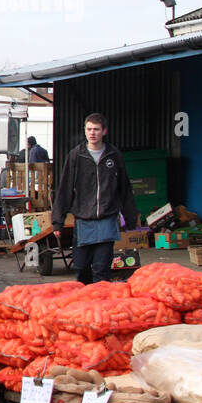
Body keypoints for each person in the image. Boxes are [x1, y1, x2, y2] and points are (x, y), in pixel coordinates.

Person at [52, 113, 140, 285]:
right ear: (85, 131)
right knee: (81, 268)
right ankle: (85, 305)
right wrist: (58, 221)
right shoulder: (76, 156)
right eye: (89, 129)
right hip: (83, 221)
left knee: (101, 269)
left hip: (107, 220)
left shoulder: (114, 155)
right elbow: (65, 189)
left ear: (104, 131)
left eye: (96, 129)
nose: (92, 133)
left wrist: (130, 219)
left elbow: (124, 189)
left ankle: (100, 307)